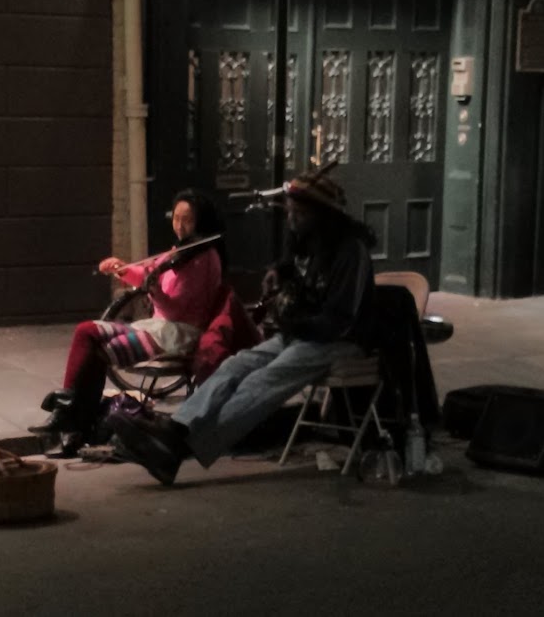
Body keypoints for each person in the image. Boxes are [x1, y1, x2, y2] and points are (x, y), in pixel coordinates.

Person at [108, 163, 378, 485]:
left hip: (338, 339)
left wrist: (293, 325)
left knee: (263, 381)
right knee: (235, 365)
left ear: (323, 215)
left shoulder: (351, 252)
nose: (292, 220)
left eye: (300, 214)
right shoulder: (313, 241)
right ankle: (176, 428)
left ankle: (179, 449)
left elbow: (339, 318)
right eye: (290, 212)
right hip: (304, 332)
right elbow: (294, 266)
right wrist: (279, 271)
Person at [28, 189, 225, 456]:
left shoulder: (203, 258)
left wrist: (153, 290)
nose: (179, 226)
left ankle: (73, 425)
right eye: (176, 218)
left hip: (179, 333)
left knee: (98, 354)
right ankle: (69, 414)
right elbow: (146, 273)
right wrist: (122, 269)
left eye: (187, 220)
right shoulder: (178, 252)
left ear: (201, 221)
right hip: (159, 327)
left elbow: (175, 307)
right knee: (86, 331)